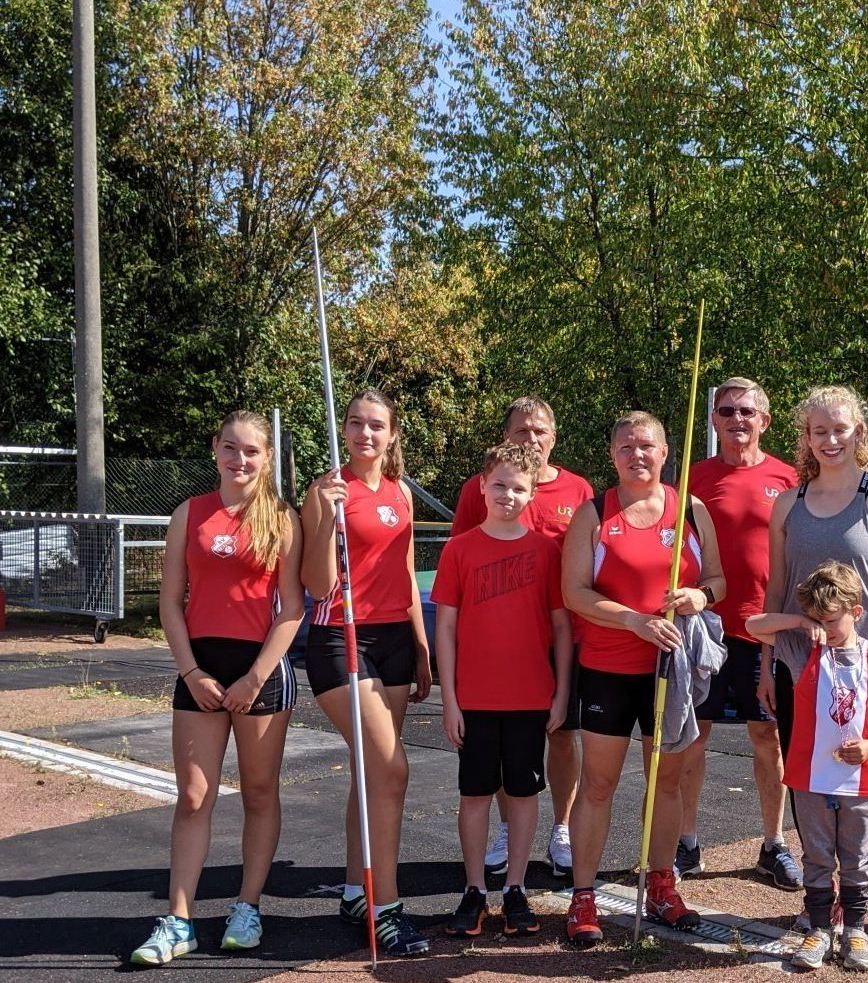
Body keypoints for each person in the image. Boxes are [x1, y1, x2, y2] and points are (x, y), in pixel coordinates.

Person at [130, 410, 305, 966]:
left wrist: (255, 676)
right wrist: (191, 672)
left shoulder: (283, 518)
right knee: (193, 797)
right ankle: (178, 920)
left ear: (267, 458)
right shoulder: (190, 513)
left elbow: (293, 608)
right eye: (230, 447)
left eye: (251, 450)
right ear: (215, 449)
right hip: (199, 670)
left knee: (259, 793)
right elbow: (170, 602)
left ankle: (247, 907)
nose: (240, 459)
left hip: (260, 674)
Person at [560, 411, 726, 947]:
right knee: (599, 783)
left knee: (666, 781)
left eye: (647, 446)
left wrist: (700, 595)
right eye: (627, 447)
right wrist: (633, 620)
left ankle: (661, 883)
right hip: (609, 667)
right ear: (613, 454)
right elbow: (574, 593)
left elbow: (719, 581)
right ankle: (583, 895)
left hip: (671, 671)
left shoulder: (691, 509)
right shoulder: (594, 513)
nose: (637, 455)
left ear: (664, 452)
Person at [300, 388, 433, 957]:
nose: (365, 433)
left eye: (376, 425)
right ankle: (387, 908)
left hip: (396, 640)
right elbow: (317, 584)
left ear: (392, 433)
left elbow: (406, 574)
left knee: (370, 774)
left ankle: (357, 891)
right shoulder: (325, 490)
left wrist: (422, 648)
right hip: (340, 636)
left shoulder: (401, 492)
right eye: (355, 423)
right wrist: (325, 520)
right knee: (391, 770)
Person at [433, 443, 573, 938]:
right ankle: (474, 889)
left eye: (518, 488)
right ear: (482, 486)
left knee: (522, 793)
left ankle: (515, 887)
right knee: (474, 794)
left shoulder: (546, 551)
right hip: (474, 699)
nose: (507, 495)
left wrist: (561, 694)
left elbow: (561, 627)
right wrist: (449, 700)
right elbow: (445, 628)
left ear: (532, 494)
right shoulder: (459, 549)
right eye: (499, 485)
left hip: (530, 697)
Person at [450, 396, 592, 878]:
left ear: (553, 437)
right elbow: (463, 559)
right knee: (495, 743)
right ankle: (509, 826)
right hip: (499, 644)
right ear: (506, 436)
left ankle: (562, 827)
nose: (531, 438)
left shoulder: (578, 489)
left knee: (562, 734)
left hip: (560, 635)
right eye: (521, 431)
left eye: (539, 431)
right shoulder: (481, 487)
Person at [678, 377, 801, 889]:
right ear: (713, 420)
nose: (736, 420)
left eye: (746, 411)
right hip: (705, 628)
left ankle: (773, 844)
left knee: (768, 737)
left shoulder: (788, 477)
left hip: (762, 630)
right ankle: (686, 842)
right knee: (693, 737)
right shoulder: (693, 478)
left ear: (764, 420)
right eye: (726, 411)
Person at [753, 386, 868, 760]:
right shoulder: (788, 504)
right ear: (807, 438)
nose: (831, 440)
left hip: (860, 663)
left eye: (840, 429)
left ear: (859, 432)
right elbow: (776, 588)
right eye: (820, 431)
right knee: (802, 774)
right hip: (798, 662)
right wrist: (767, 666)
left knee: (853, 776)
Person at [779, 563, 868, 973]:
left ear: (856, 611)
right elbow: (752, 625)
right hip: (810, 777)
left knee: (856, 858)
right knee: (817, 857)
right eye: (817, 619)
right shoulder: (804, 649)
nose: (824, 628)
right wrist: (801, 622)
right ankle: (819, 928)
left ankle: (855, 929)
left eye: (831, 620)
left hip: (859, 780)